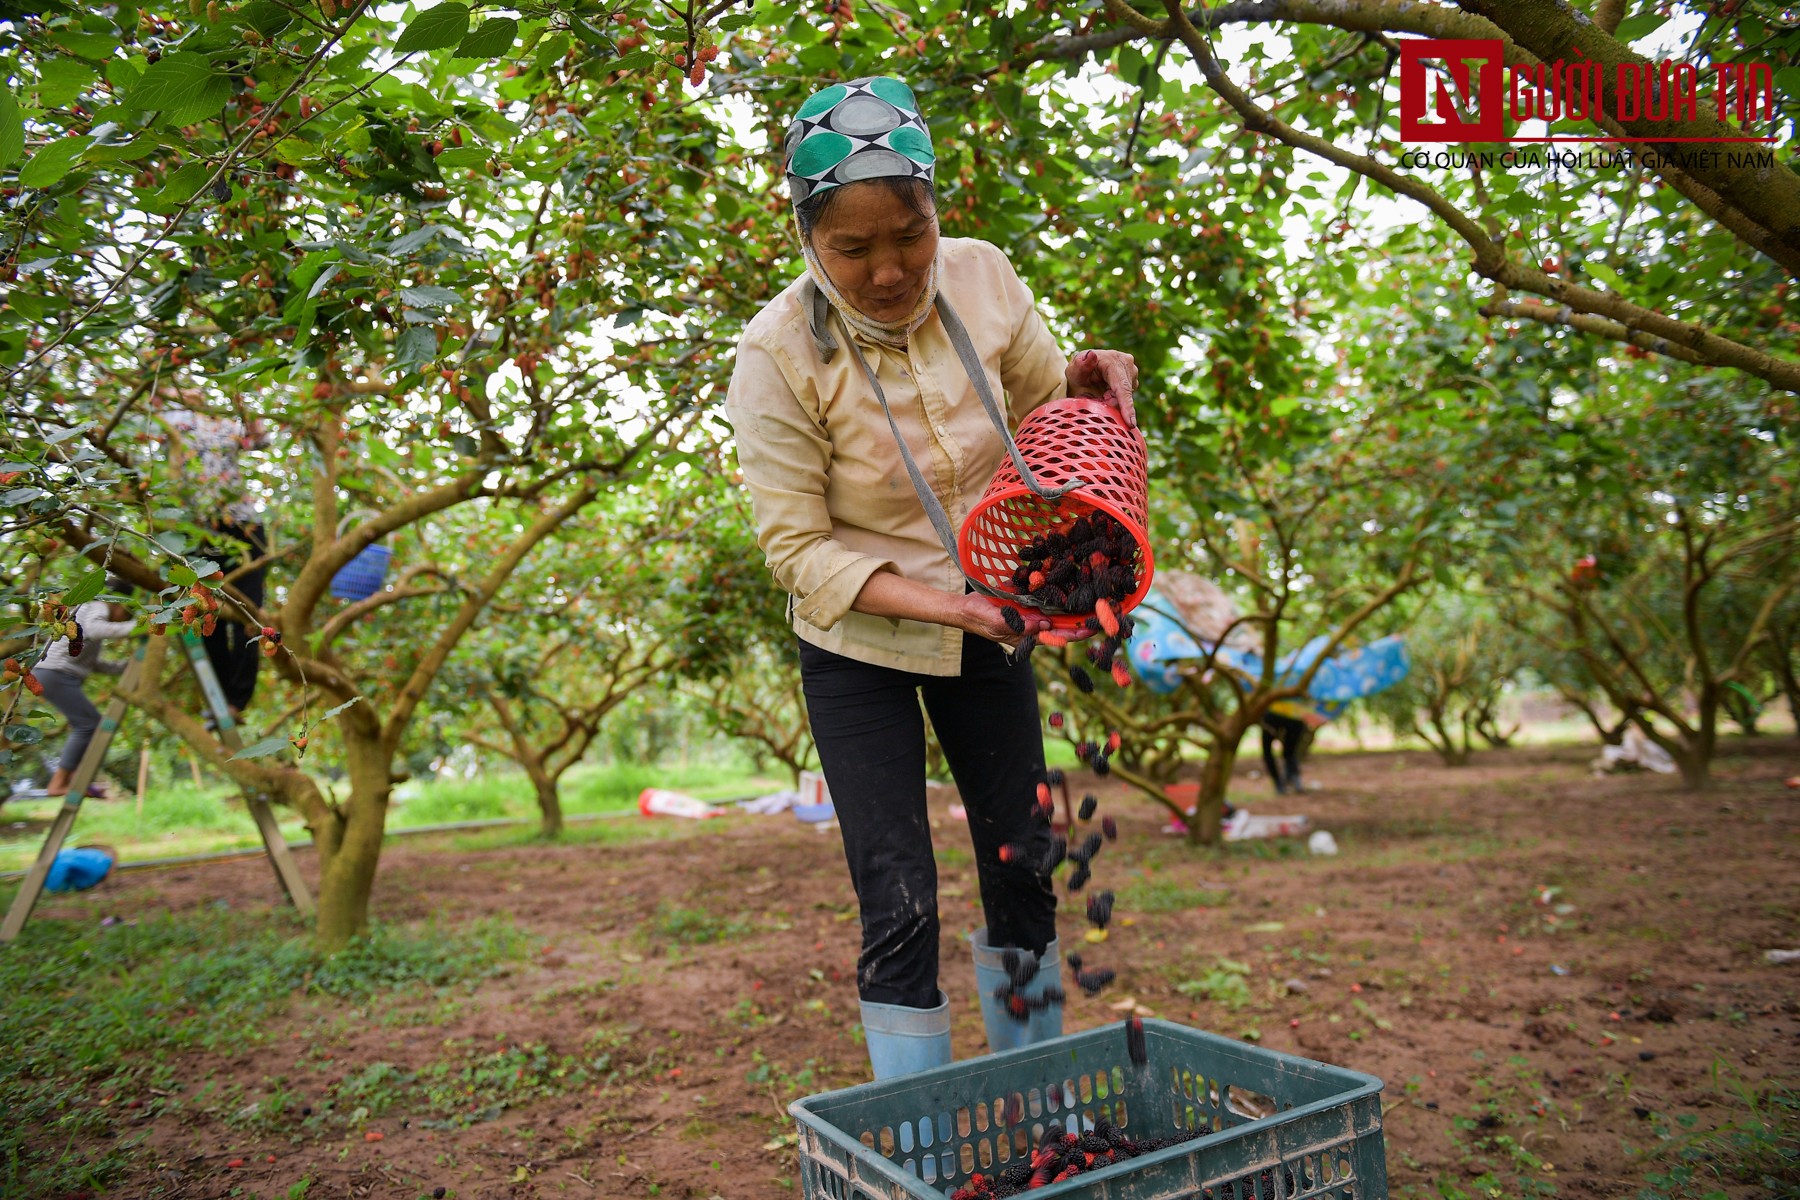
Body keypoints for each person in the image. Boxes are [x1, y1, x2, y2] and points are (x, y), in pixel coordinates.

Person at [724, 76, 1141, 1080]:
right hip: (861, 642)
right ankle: (917, 1133)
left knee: (1027, 868)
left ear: (934, 211)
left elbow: (1047, 420)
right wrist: (951, 605)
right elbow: (798, 551)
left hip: (995, 617)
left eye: (907, 235)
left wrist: (1086, 388)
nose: (885, 270)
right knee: (899, 896)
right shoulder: (775, 356)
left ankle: (1034, 1094)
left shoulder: (986, 278)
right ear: (807, 241)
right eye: (852, 249)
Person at [158, 402, 269, 718]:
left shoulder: (227, 425)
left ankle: (237, 700)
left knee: (250, 613)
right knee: (204, 613)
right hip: (197, 530)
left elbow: (260, 438)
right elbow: (146, 424)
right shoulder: (176, 419)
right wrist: (167, 391)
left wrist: (244, 401)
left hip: (241, 526)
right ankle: (219, 698)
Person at [34, 583, 137, 798]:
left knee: (87, 723)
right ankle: (59, 783)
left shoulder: (88, 613)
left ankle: (71, 779)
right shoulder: (98, 605)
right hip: (54, 674)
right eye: (126, 613)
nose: (122, 619)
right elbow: (95, 629)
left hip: (56, 674)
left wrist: (124, 667)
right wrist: (137, 627)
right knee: (88, 724)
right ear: (118, 603)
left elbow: (92, 663)